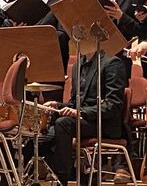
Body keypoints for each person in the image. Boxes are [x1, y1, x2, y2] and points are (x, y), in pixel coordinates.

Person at [27, 51, 127, 185]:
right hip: (81, 121)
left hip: (103, 123)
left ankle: (62, 178)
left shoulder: (112, 63)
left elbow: (113, 105)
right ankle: (44, 172)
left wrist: (81, 112)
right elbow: (74, 103)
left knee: (63, 123)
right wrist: (58, 106)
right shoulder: (77, 65)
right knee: (48, 125)